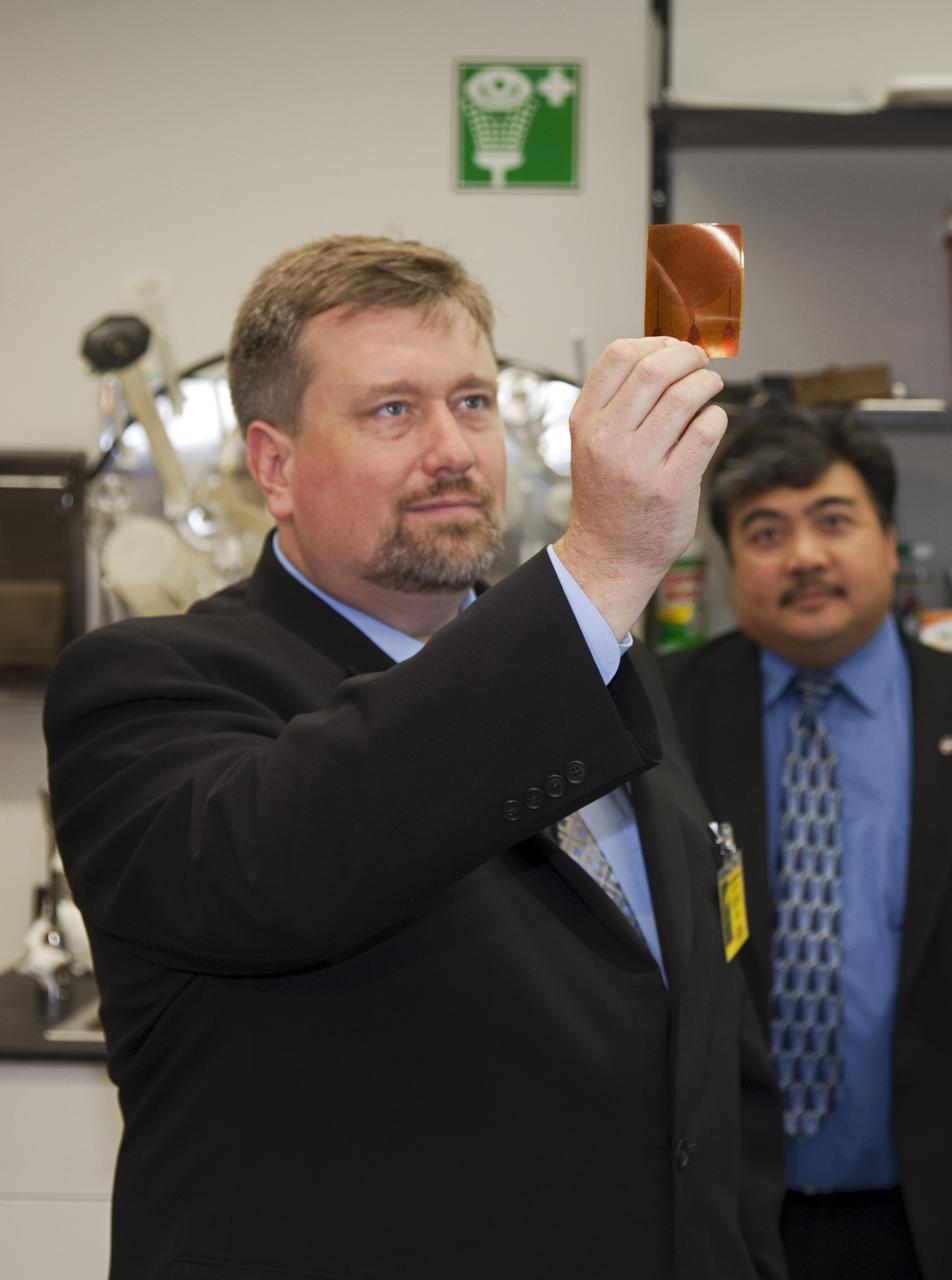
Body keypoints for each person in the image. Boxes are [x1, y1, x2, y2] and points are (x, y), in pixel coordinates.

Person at [44, 235, 784, 1280]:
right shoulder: (149, 685)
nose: (453, 449)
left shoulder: (606, 670)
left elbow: (706, 1051)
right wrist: (600, 565)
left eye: (473, 402)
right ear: (274, 465)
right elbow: (297, 852)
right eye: (392, 409)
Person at [660, 407, 952, 1280]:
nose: (805, 557)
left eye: (833, 521)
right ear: (726, 562)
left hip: (928, 1209)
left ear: (890, 541)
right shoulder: (656, 720)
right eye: (766, 531)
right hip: (724, 1216)